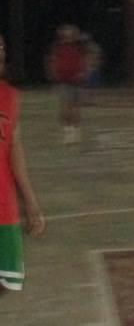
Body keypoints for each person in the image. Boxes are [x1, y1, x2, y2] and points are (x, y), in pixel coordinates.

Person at [0, 33, 46, 292]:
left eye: (1, 46)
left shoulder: (9, 97)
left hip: (3, 208)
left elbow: (15, 152)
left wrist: (31, 202)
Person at [46, 24, 87, 144]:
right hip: (63, 81)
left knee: (76, 108)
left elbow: (85, 60)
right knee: (65, 107)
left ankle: (76, 131)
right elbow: (52, 60)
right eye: (66, 34)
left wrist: (83, 73)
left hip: (77, 81)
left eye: (70, 34)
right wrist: (53, 73)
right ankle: (67, 131)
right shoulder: (57, 47)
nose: (68, 36)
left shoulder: (79, 47)